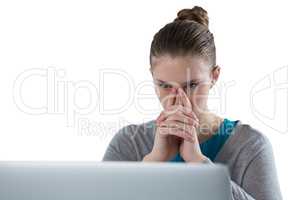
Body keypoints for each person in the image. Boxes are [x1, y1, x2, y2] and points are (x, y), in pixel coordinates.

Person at [102, 6, 282, 200]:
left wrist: (200, 164)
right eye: (164, 85)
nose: (179, 100)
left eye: (191, 85)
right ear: (152, 78)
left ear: (214, 76)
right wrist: (152, 163)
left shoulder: (250, 147)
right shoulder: (129, 144)